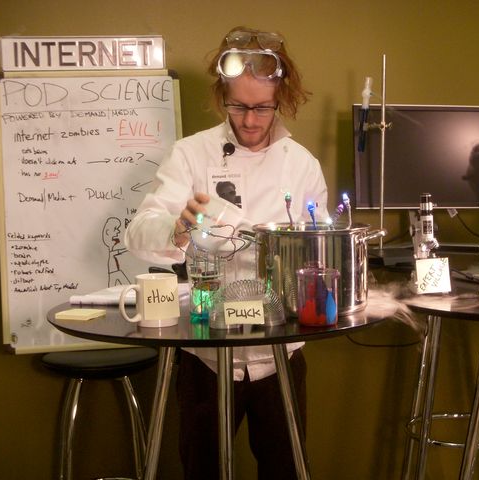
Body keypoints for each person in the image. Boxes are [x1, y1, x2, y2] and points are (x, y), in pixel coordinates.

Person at [124, 26, 329, 479]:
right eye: (238, 106)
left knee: (286, 470)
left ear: (282, 99)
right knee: (203, 469)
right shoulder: (190, 155)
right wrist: (178, 227)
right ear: (222, 97)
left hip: (280, 353)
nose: (250, 121)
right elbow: (136, 236)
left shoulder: (302, 165)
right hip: (207, 355)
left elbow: (319, 248)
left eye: (262, 108)